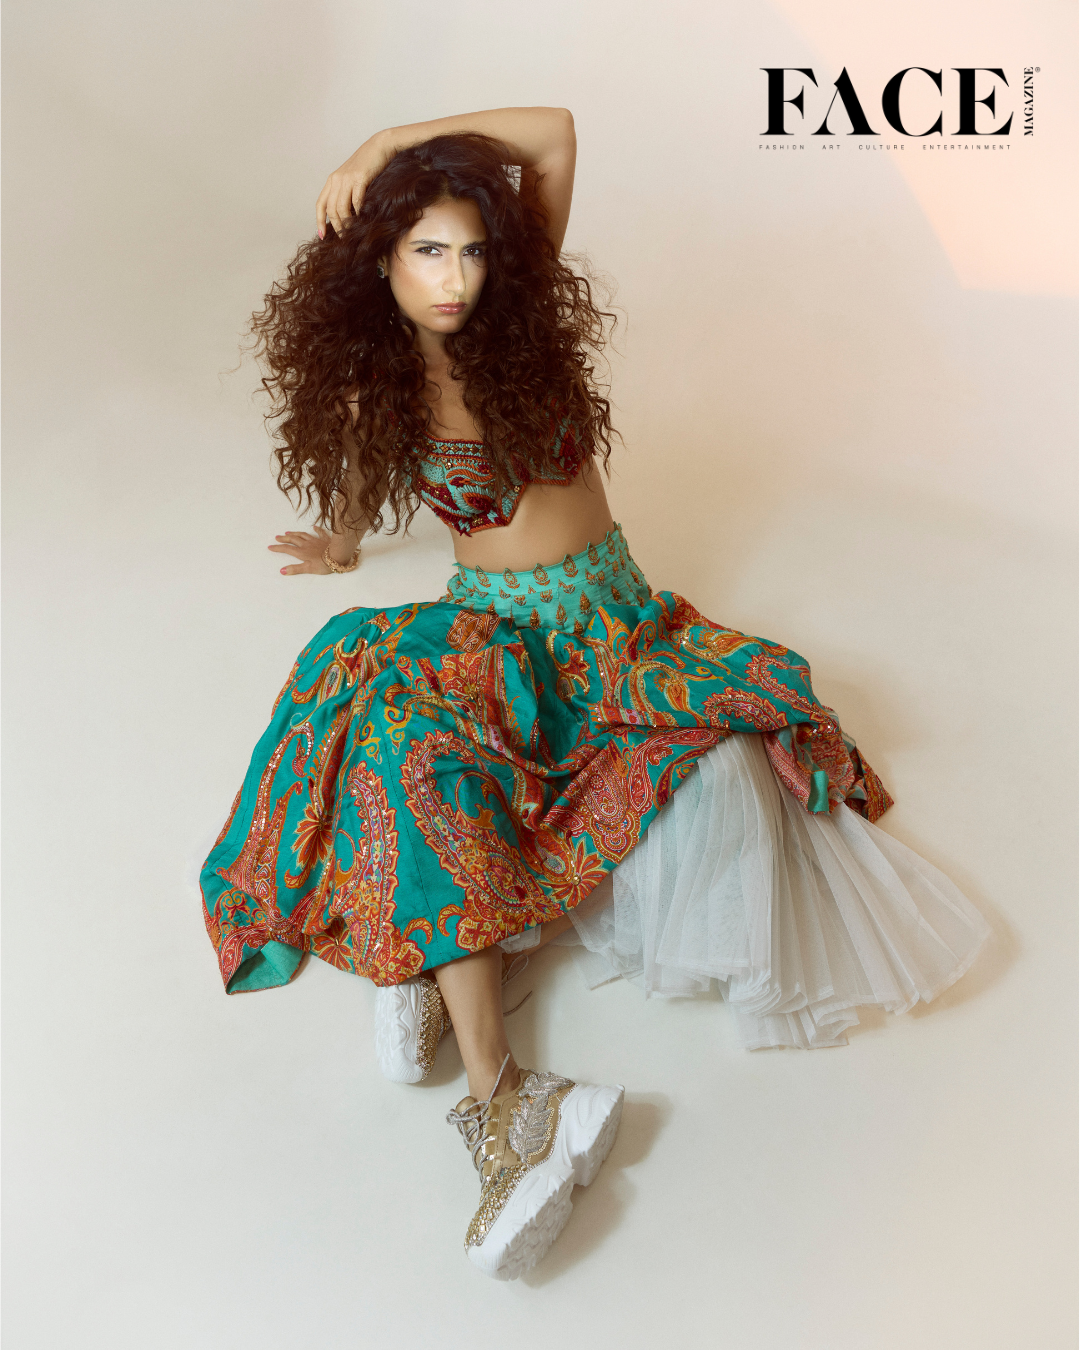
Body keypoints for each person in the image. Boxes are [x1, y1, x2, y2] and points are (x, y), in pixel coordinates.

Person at [200, 106, 989, 1281]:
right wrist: (342, 545)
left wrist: (378, 147)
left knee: (615, 772)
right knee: (386, 719)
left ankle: (464, 999)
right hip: (492, 626)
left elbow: (554, 135)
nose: (457, 278)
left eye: (473, 250)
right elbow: (366, 476)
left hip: (607, 629)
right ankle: (503, 1085)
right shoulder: (379, 381)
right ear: (380, 262)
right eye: (427, 252)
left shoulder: (516, 318)